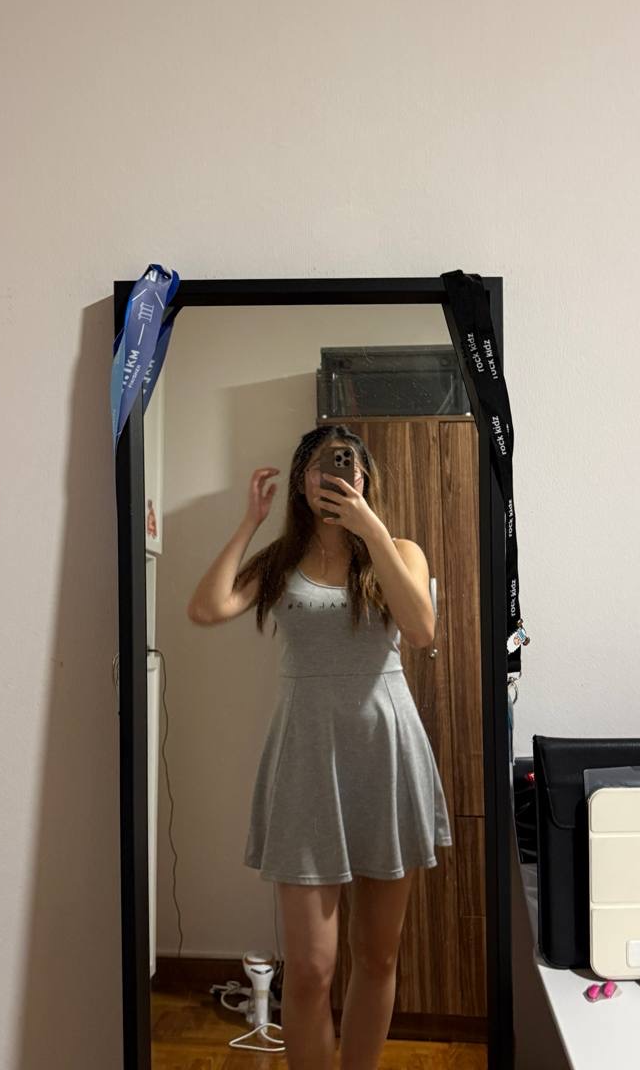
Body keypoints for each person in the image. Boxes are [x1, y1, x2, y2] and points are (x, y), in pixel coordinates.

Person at [187, 424, 453, 1070]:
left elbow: (421, 629)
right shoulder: (280, 561)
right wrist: (249, 522)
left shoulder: (400, 550)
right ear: (301, 480)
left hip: (386, 756)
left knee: (378, 955)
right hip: (306, 760)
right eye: (319, 466)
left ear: (364, 478)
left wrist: (369, 528)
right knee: (310, 967)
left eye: (346, 465)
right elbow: (207, 607)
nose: (333, 476)